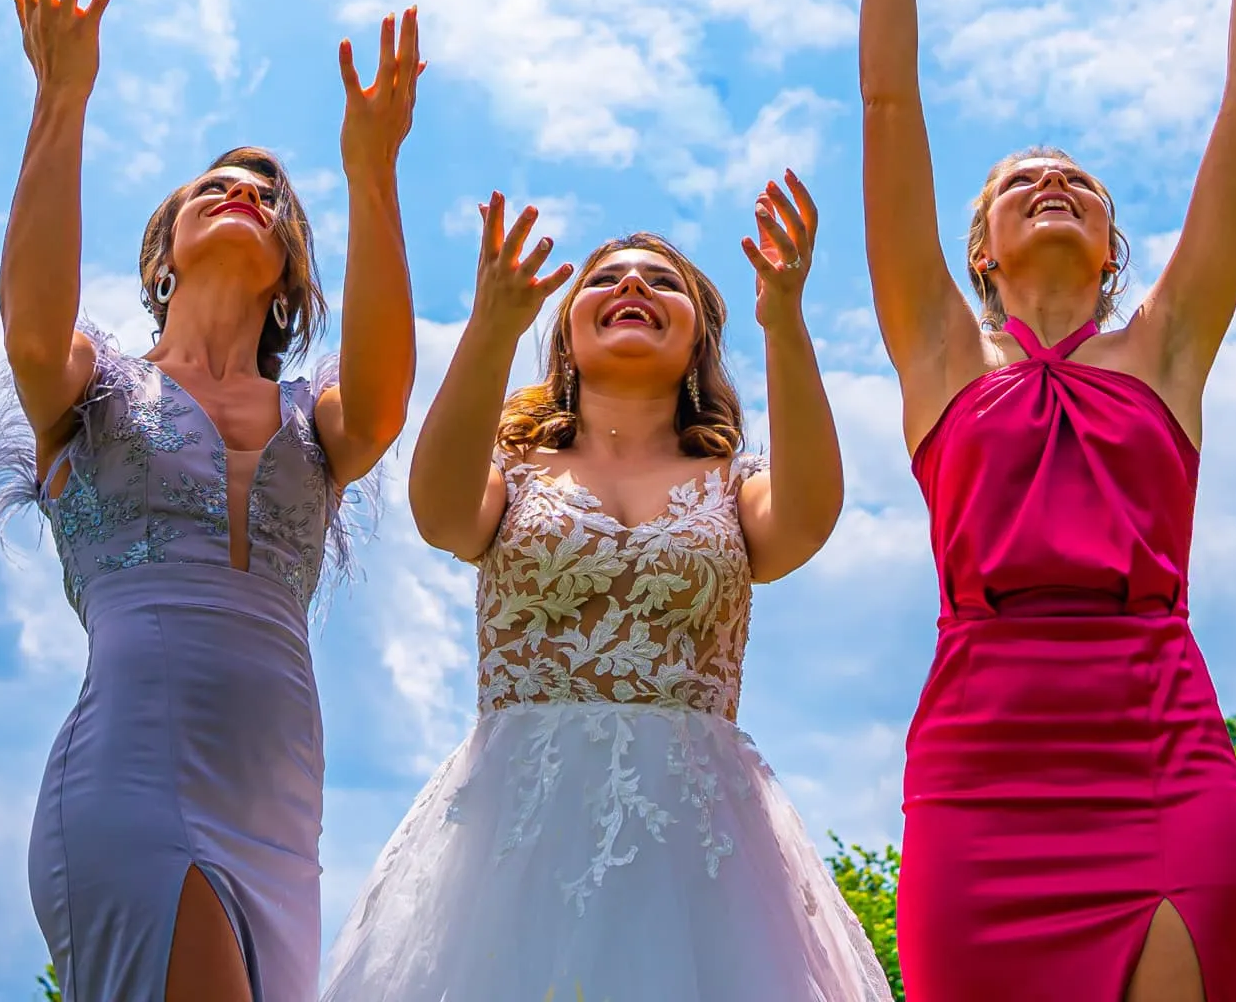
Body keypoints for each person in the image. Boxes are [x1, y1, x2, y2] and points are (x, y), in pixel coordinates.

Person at [861, 0, 1236, 1002]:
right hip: (977, 772)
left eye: (1081, 185)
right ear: (980, 252)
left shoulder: (1168, 348)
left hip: (1160, 756)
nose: (1050, 183)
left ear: (1114, 250)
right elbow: (891, 103)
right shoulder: (941, 348)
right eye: (1017, 182)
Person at [0, 0, 423, 1002]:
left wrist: (373, 171)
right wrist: (61, 95)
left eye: (269, 198)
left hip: (278, 804)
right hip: (133, 774)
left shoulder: (316, 419)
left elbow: (392, 395)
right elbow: (30, 330)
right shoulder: (95, 381)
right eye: (214, 187)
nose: (245, 194)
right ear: (162, 254)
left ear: (290, 277)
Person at [318, 177, 890, 1002]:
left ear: (699, 340)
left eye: (662, 282)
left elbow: (804, 523)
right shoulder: (514, 471)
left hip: (700, 849)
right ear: (565, 336)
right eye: (606, 278)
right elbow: (442, 516)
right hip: (513, 839)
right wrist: (492, 324)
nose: (632, 286)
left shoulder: (734, 483)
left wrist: (786, 321)